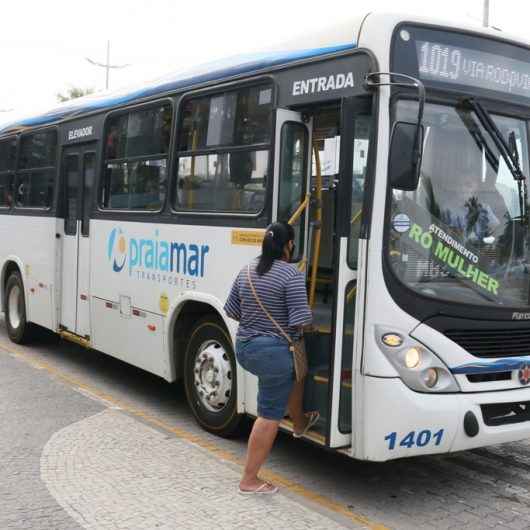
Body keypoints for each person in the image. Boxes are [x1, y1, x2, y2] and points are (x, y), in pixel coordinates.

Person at [224, 222, 318, 495]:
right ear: (289, 246)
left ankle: (300, 423)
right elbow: (301, 320)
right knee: (269, 415)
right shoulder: (291, 275)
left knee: (295, 370)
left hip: (244, 348)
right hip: (272, 354)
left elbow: (232, 310)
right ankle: (249, 480)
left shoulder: (247, 271)